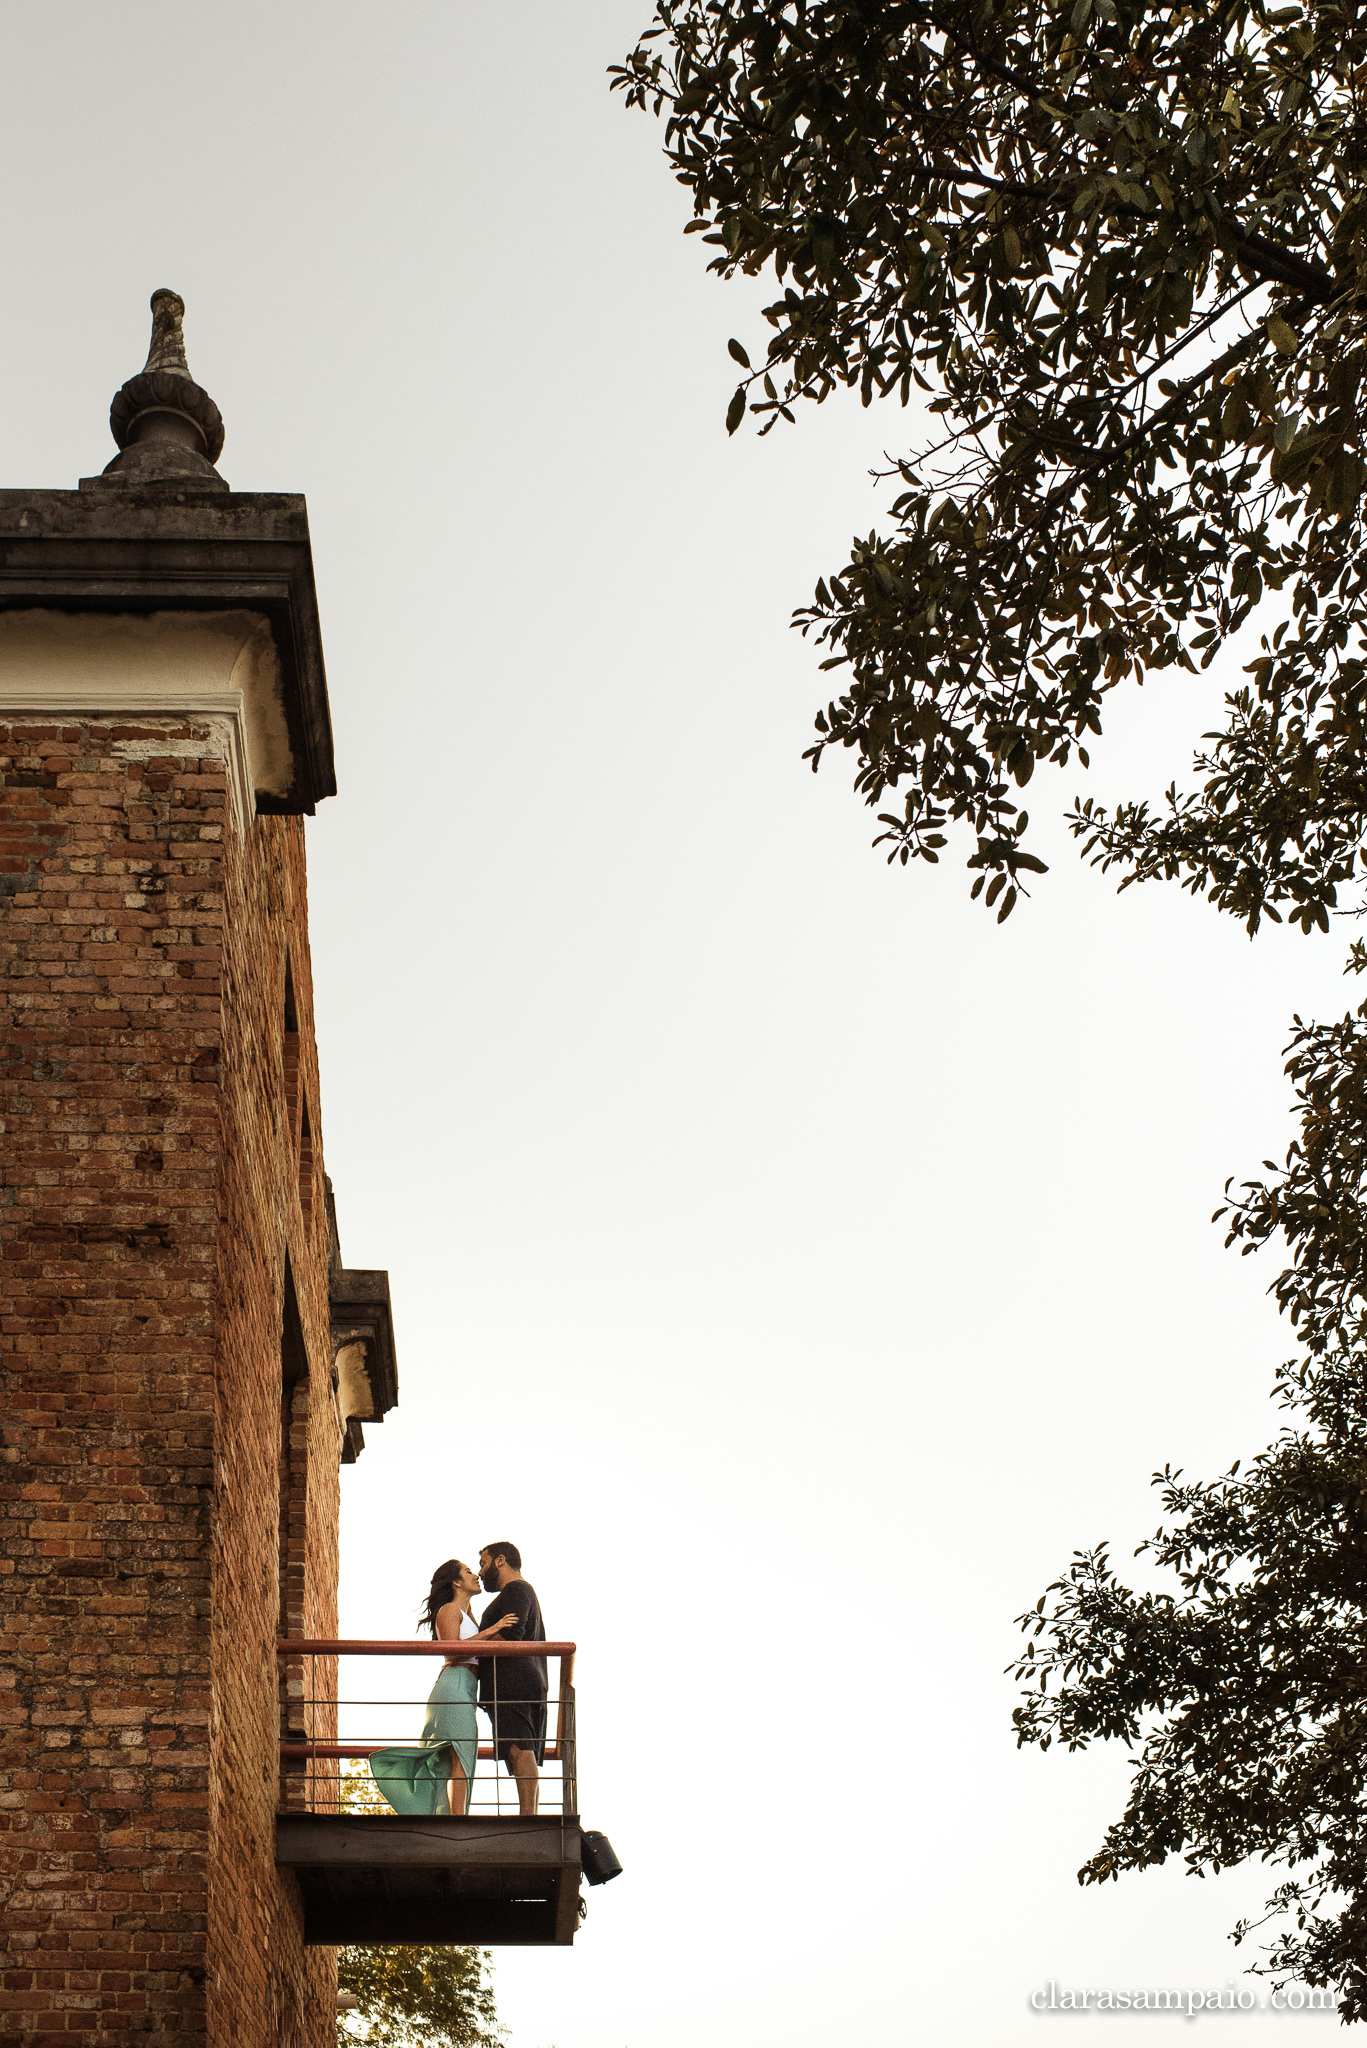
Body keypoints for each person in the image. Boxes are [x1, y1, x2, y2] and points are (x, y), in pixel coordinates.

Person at [367, 1558, 517, 1817]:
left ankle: (452, 1816)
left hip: (466, 1689)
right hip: (454, 1684)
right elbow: (452, 1650)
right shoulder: (449, 1610)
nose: (476, 1575)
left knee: (461, 1753)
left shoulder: (468, 1615)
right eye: (469, 1571)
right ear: (457, 1581)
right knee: (459, 1751)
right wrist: (493, 1630)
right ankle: (456, 1820)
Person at [477, 1542, 548, 1816]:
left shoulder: (516, 1590)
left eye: (484, 1563)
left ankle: (528, 1815)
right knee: (517, 1749)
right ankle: (528, 1812)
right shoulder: (521, 1591)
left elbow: (512, 1633)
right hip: (520, 1679)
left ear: (500, 1560)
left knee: (519, 1747)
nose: (481, 1572)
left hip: (514, 1681)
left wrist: (474, 1642)